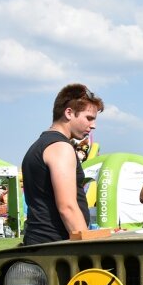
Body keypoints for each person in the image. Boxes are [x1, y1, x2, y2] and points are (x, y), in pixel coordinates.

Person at [22, 83, 104, 245]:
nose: (93, 125)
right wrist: (87, 248)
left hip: (38, 244)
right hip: (55, 247)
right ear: (69, 113)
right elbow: (67, 207)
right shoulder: (61, 148)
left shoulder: (37, 146)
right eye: (89, 118)